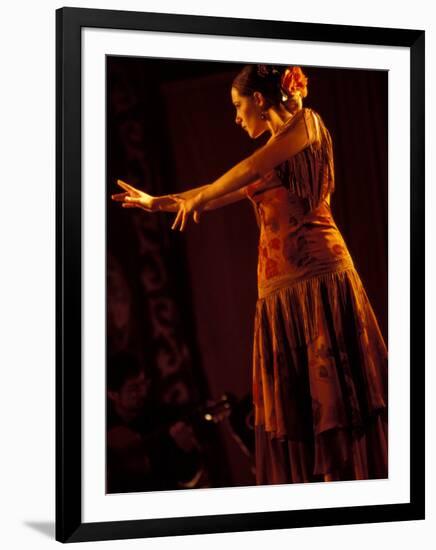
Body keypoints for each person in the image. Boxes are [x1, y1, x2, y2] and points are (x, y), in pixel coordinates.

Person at [111, 64, 388, 485]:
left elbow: (249, 168)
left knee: (338, 405)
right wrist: (157, 202)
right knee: (304, 415)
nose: (237, 117)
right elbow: (210, 194)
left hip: (317, 280)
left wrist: (201, 195)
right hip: (281, 293)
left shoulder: (305, 125)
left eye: (239, 106)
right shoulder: (274, 150)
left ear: (259, 99)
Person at [107, 351, 205, 492]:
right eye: (134, 388)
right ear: (112, 394)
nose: (143, 392)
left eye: (144, 383)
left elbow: (188, 478)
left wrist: (188, 450)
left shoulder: (163, 418)